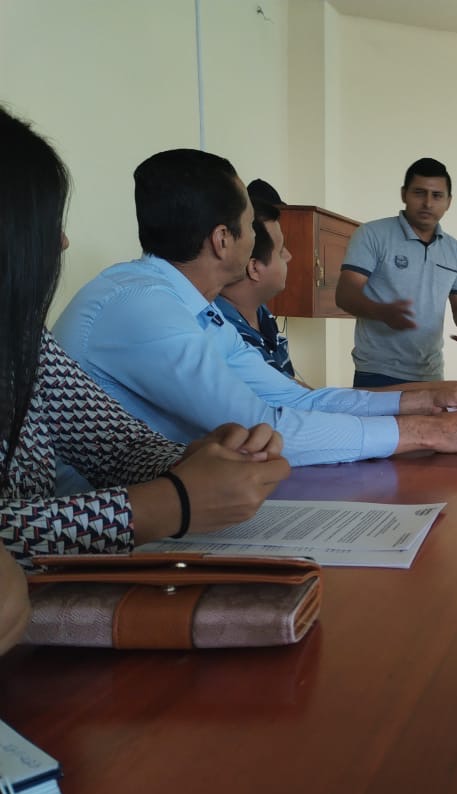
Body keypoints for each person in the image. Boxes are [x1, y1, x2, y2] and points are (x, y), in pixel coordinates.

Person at [54, 149, 457, 468]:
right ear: (223, 240)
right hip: (103, 533)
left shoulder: (192, 307)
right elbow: (261, 428)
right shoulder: (142, 307)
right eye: (249, 224)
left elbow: (295, 399)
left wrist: (428, 401)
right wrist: (427, 433)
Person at [0, 106, 289, 568]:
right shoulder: (139, 299)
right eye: (42, 222)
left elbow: (112, 444)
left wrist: (195, 457)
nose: (62, 242)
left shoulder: (23, 341)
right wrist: (172, 503)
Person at [335, 157, 457, 387]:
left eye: (437, 195)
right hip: (377, 372)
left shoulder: (454, 250)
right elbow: (345, 294)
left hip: (431, 373)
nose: (427, 203)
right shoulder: (372, 234)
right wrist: (382, 312)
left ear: (448, 201)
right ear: (404, 194)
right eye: (419, 193)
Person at [215, 179, 301, 383]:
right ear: (254, 268)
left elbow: (291, 389)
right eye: (281, 251)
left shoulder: (261, 314)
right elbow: (282, 398)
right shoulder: (221, 331)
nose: (289, 257)